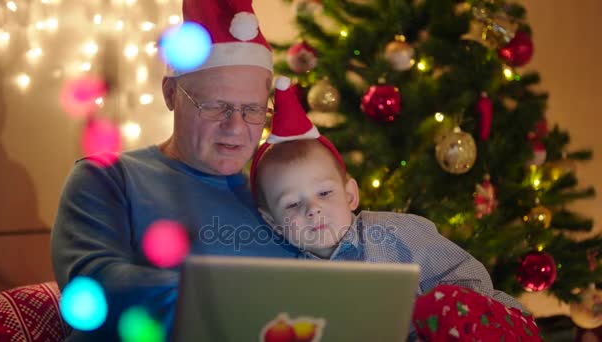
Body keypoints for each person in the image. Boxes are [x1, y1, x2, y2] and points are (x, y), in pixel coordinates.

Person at [50, 1, 299, 340]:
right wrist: (221, 293)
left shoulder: (274, 194)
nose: (236, 127)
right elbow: (91, 285)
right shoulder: (108, 179)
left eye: (253, 110)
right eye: (216, 107)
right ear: (171, 93)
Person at [251, 76, 542, 341]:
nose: (312, 209)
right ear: (273, 222)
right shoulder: (290, 277)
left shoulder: (393, 233)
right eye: (292, 204)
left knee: (444, 303)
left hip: (482, 326)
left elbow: (469, 279)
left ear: (351, 195)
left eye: (324, 193)